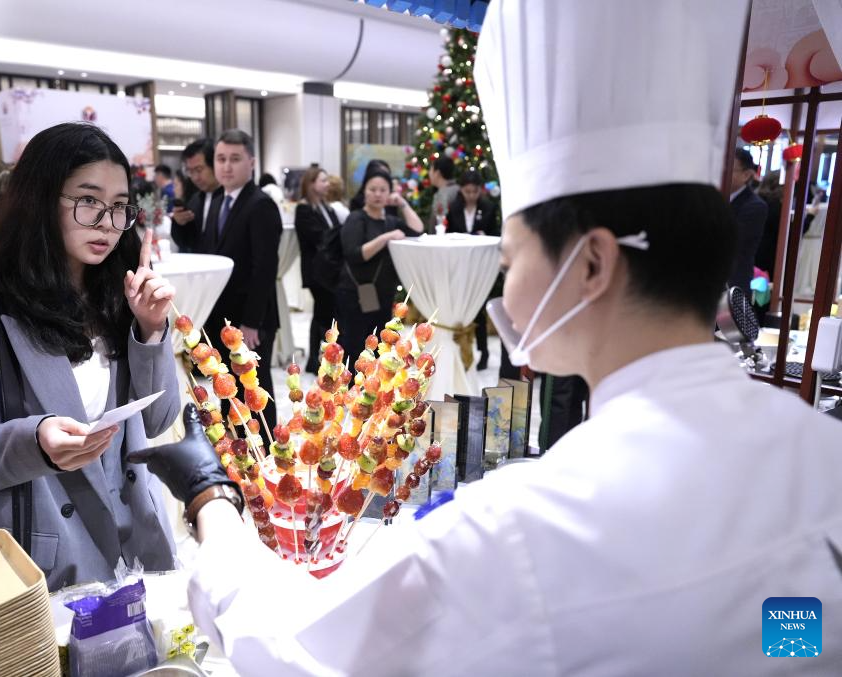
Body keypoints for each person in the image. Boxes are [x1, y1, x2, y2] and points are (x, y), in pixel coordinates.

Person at [130, 1, 842, 674]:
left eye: (511, 256)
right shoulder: (820, 454)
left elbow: (295, 651)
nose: (506, 284)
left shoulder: (526, 530)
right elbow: (794, 633)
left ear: (592, 264)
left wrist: (211, 499)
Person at [0, 122, 182, 591]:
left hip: (135, 539)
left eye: (119, 206)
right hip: (47, 553)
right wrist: (34, 441)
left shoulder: (123, 296)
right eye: (88, 201)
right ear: (39, 199)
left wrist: (151, 330)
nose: (107, 223)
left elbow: (158, 420)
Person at [177, 129, 282, 428]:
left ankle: (263, 448)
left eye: (235, 159)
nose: (226, 166)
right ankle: (236, 446)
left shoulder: (260, 204)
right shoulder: (218, 201)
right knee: (226, 386)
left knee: (253, 389)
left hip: (250, 319)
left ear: (252, 163)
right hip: (222, 316)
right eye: (221, 159)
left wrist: (251, 322)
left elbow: (265, 268)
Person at [336, 170, 424, 362]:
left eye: (383, 190)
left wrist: (402, 203)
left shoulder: (391, 221)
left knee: (380, 347)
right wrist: (386, 238)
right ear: (364, 192)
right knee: (355, 348)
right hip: (355, 293)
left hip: (383, 294)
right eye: (373, 189)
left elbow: (417, 230)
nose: (378, 194)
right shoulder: (356, 218)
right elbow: (355, 254)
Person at [446, 168, 500, 369]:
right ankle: (461, 351)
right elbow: (449, 233)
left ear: (480, 190)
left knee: (479, 310)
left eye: (474, 191)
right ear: (461, 190)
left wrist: (484, 236)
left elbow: (496, 234)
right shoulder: (454, 207)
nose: (470, 195)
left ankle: (483, 352)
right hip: (459, 264)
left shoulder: (488, 207)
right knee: (459, 309)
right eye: (467, 191)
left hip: (480, 265)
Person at [293, 166, 339, 373]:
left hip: (330, 269)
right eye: (323, 180)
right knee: (322, 312)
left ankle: (322, 357)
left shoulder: (325, 207)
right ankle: (316, 358)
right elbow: (319, 236)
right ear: (311, 183)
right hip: (316, 270)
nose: (327, 184)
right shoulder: (304, 209)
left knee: (324, 312)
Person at [727, 147, 768, 291]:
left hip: (732, 282)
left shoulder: (754, 206)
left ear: (746, 175)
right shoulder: (714, 197)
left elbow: (732, 242)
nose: (722, 173)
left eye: (729, 169)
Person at [171, 138, 221, 254]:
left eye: (199, 170)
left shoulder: (228, 199)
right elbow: (187, 242)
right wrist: (179, 223)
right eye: (190, 171)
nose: (195, 177)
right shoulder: (196, 199)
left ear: (214, 165)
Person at [428, 155, 460, 231]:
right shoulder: (459, 188)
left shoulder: (442, 195)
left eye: (431, 170)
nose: (429, 173)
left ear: (437, 173)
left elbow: (439, 222)